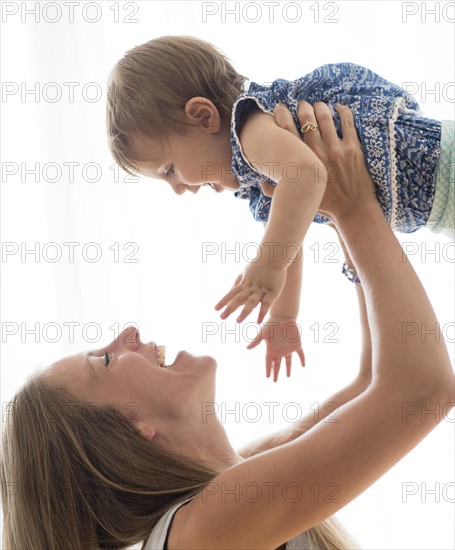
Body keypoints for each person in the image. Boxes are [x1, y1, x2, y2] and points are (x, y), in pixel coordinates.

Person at [2, 103, 453, 550]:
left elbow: (373, 382)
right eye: (103, 359)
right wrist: (355, 212)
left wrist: (338, 207)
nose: (128, 335)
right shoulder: (201, 531)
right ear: (128, 428)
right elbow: (422, 389)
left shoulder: (230, 482)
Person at [106, 35, 454, 380]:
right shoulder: (259, 178)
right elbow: (291, 235)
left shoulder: (251, 127)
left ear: (203, 117)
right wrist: (284, 317)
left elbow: (305, 173)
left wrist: (267, 263)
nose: (179, 189)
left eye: (170, 169)